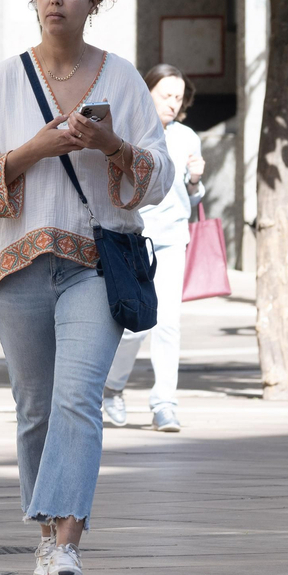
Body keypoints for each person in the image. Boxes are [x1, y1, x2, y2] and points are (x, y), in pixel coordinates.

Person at [0, 0, 172, 575]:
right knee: (36, 410)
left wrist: (113, 146)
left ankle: (67, 548)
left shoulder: (125, 79)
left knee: (79, 398)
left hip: (96, 264)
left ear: (93, 1)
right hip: (16, 269)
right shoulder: (3, 80)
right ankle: (46, 536)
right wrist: (32, 150)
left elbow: (158, 175)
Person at [101, 63, 205, 432]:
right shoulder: (129, 133)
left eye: (179, 97)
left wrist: (195, 180)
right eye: (166, 95)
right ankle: (112, 386)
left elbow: (191, 196)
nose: (173, 103)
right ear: (148, 93)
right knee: (135, 326)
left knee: (169, 324)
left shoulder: (188, 138)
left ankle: (165, 404)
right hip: (135, 237)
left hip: (173, 236)